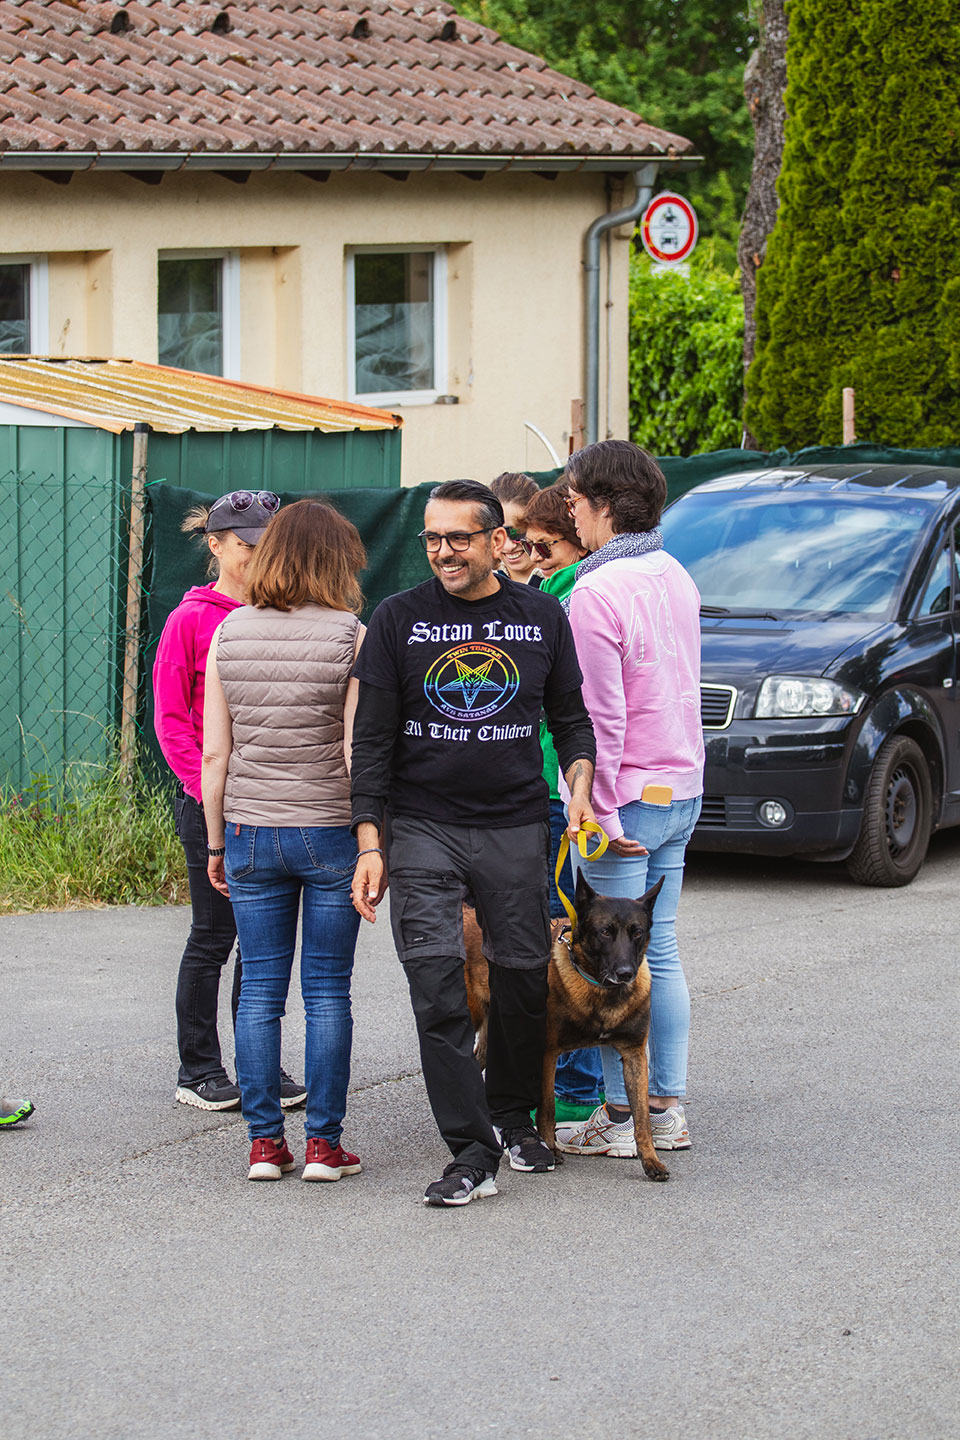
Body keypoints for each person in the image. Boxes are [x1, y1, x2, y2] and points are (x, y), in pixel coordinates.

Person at [349, 478, 599, 1207]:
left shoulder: (541, 615)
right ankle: (470, 1149)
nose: (444, 551)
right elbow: (371, 743)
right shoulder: (398, 619)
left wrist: (580, 785)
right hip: (422, 826)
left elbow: (571, 719)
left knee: (521, 978)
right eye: (432, 538)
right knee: (435, 984)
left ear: (497, 541)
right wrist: (370, 843)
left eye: (459, 537)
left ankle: (513, 1117)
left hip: (515, 824)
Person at [201, 499, 366, 1183]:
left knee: (260, 992)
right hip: (328, 829)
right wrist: (372, 841)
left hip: (249, 831)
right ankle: (324, 1146)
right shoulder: (350, 635)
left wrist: (216, 844)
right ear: (337, 560)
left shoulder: (229, 631)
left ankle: (264, 1145)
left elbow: (216, 755)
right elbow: (356, 754)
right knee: (327, 991)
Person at [554, 440, 704, 1158]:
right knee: (656, 951)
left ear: (605, 505)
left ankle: (625, 1113)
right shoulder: (675, 571)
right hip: (681, 786)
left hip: (626, 800)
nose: (570, 515)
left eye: (575, 502)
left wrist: (599, 809)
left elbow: (601, 718)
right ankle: (661, 1108)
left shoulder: (596, 591)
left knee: (614, 960)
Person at [154, 491, 306, 1113]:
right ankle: (198, 1070)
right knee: (214, 936)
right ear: (215, 545)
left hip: (271, 804)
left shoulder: (285, 614)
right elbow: (172, 723)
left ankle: (258, 1066)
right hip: (211, 805)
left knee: (263, 943)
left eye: (266, 543)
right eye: (246, 544)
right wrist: (209, 795)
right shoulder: (190, 620)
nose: (257, 554)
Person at [518, 483, 602, 1117]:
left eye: (543, 546)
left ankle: (573, 1089)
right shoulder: (554, 590)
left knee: (561, 931)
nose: (530, 555)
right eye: (525, 544)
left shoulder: (573, 596)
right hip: (547, 782)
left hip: (556, 786)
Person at [490, 471, 542, 585]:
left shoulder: (565, 582)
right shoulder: (481, 585)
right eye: (498, 535)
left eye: (517, 533)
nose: (509, 547)